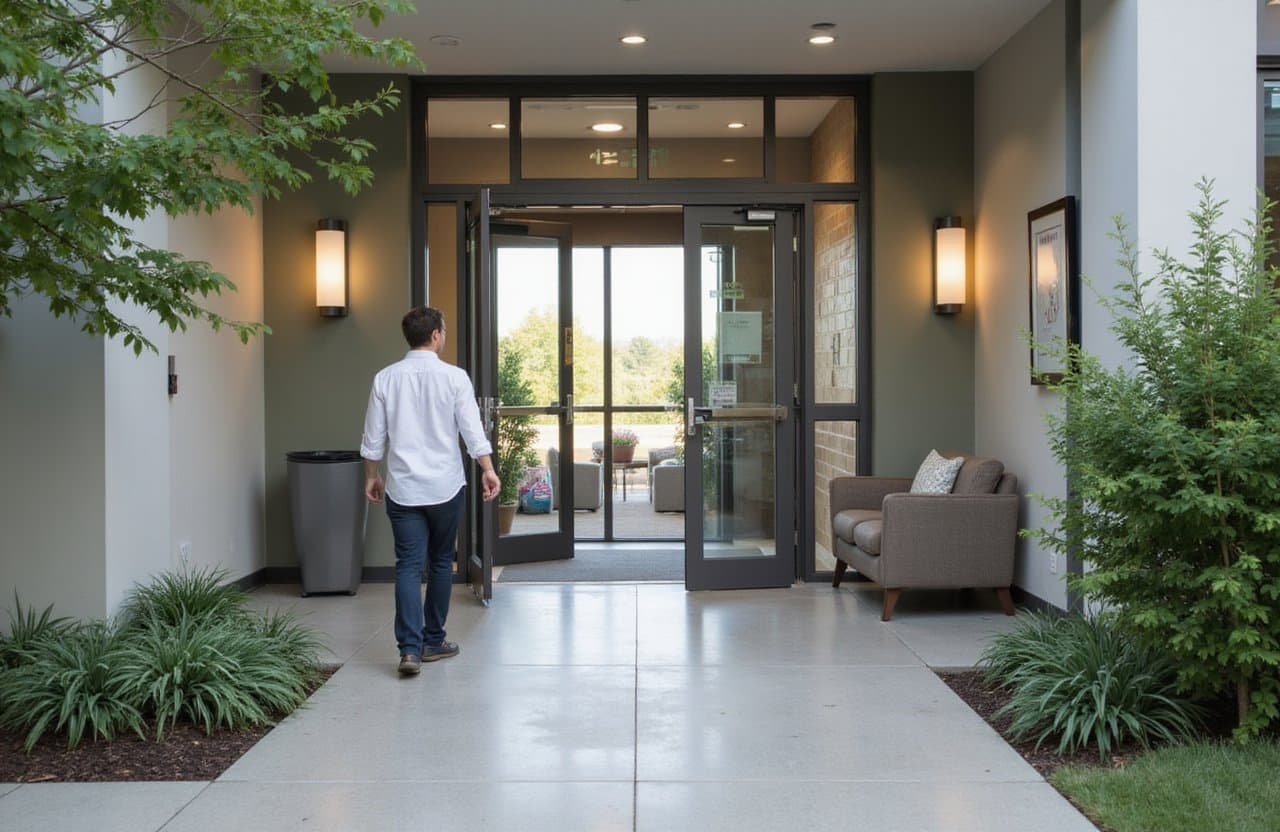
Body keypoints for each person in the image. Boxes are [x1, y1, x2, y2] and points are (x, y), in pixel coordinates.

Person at [360, 307, 500, 676]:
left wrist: (372, 476)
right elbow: (472, 431)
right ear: (436, 334)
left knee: (407, 566)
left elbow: (374, 438)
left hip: (404, 489)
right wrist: (487, 469)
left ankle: (409, 650)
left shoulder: (386, 379)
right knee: (440, 562)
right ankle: (432, 641)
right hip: (445, 487)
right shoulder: (455, 378)